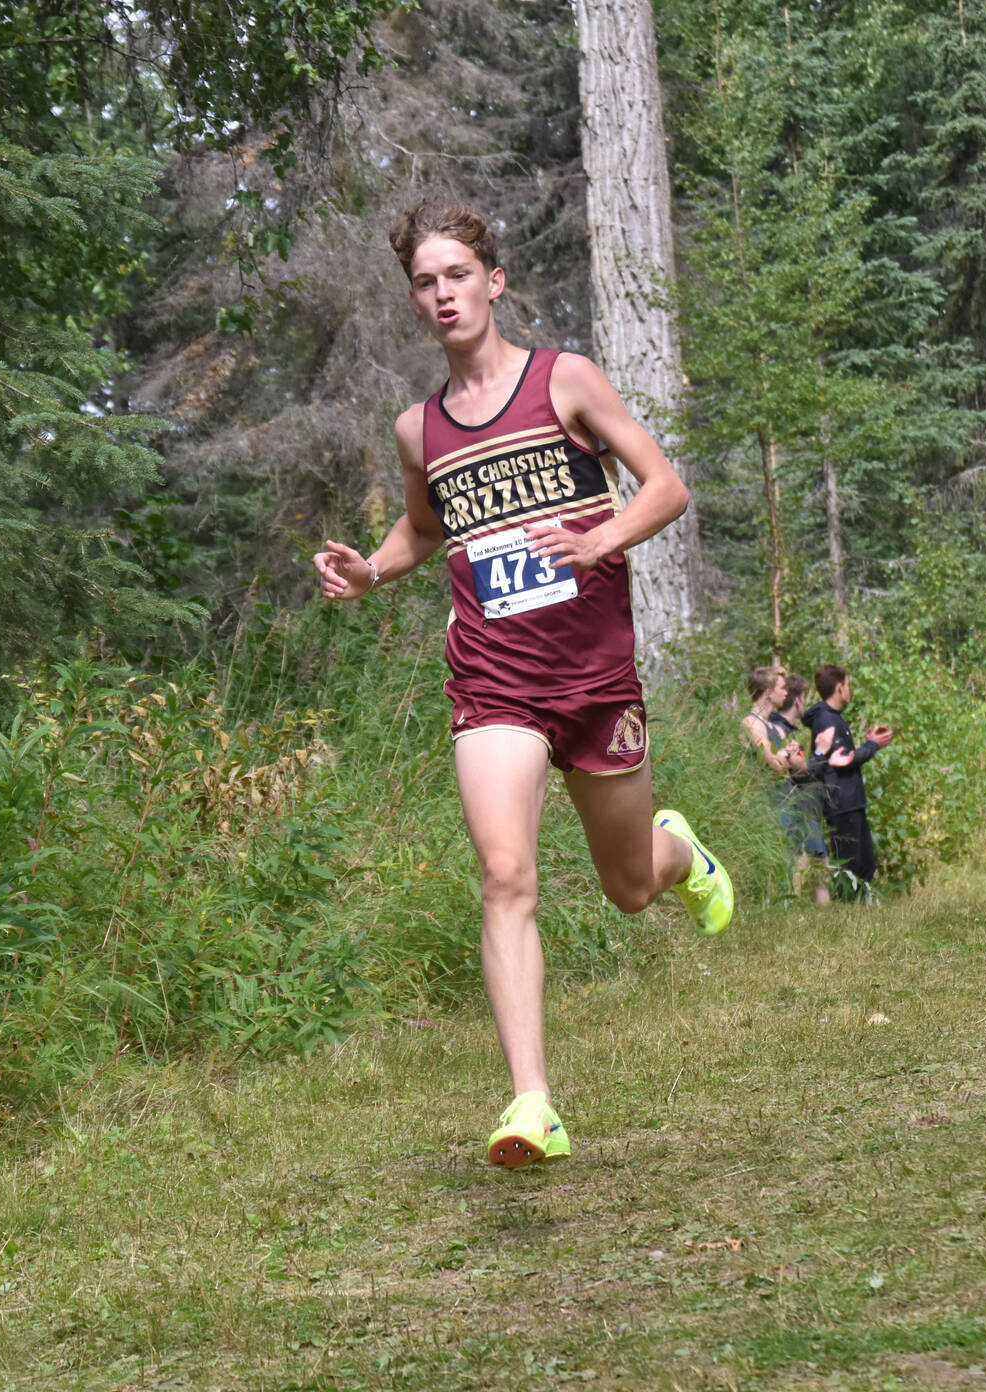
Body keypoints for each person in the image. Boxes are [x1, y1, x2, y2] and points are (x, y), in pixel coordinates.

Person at [313, 201, 734, 1170]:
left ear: (492, 283)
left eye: (456, 274)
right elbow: (423, 533)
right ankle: (532, 1101)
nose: (441, 294)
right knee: (505, 873)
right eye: (424, 282)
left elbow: (664, 488)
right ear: (414, 301)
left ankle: (678, 851)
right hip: (493, 676)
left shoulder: (565, 382)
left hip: (591, 673)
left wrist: (597, 537)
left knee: (629, 888)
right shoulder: (418, 430)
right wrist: (370, 570)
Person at [738, 667, 829, 903]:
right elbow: (774, 763)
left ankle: (786, 906)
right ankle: (775, 908)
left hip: (782, 799)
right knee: (778, 857)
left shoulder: (767, 723)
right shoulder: (752, 723)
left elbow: (793, 761)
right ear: (768, 692)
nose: (786, 692)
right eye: (782, 688)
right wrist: (787, 755)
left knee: (790, 855)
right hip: (768, 799)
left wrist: (787, 755)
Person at [802, 664, 894, 896]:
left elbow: (844, 758)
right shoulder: (827, 720)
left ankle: (858, 908)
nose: (850, 690)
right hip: (842, 803)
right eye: (848, 685)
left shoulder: (831, 718)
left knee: (865, 864)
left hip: (850, 801)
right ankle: (847, 909)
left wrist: (869, 742)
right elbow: (842, 759)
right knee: (850, 867)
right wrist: (873, 745)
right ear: (839, 687)